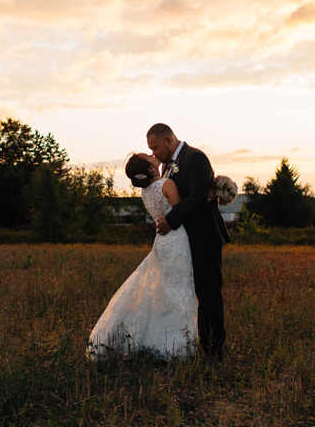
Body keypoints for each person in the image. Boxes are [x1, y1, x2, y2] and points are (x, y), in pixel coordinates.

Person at [87, 153, 198, 360]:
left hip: (161, 242)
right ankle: (177, 345)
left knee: (164, 291)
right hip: (177, 240)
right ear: (150, 169)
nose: (152, 155)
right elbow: (179, 211)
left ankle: (159, 340)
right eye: (148, 156)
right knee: (178, 290)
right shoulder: (167, 185)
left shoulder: (145, 192)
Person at [148, 123, 230, 361]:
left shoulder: (196, 158)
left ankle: (214, 350)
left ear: (169, 140)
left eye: (155, 147)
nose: (154, 153)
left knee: (208, 294)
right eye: (150, 149)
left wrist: (169, 221)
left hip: (204, 237)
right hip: (183, 241)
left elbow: (197, 198)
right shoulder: (167, 165)